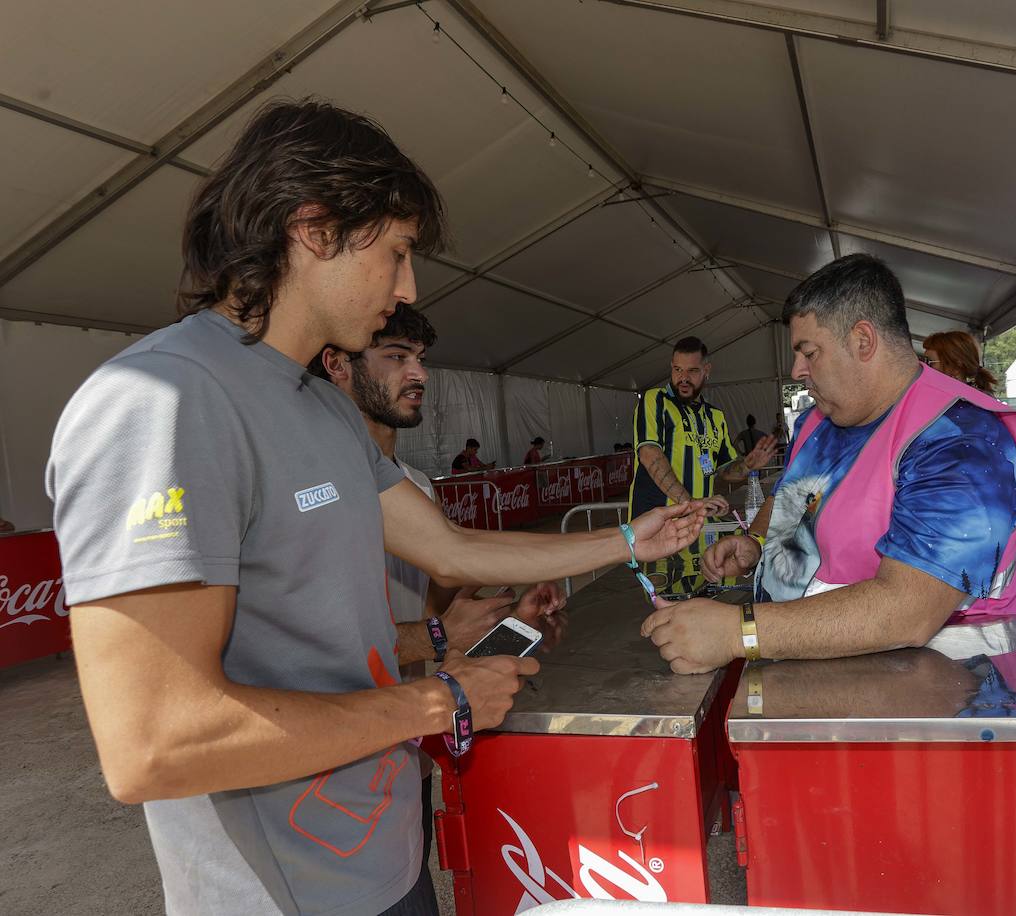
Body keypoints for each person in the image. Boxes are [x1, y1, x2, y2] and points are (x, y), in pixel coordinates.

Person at [45, 99, 705, 916]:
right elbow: (155, 742)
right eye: (396, 253)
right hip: (287, 895)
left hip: (384, 850)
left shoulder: (323, 405)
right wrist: (441, 699)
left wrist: (629, 541)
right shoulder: (161, 402)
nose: (406, 287)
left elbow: (449, 548)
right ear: (315, 229)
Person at [641, 255, 1016, 679]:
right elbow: (789, 498)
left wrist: (738, 632)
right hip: (813, 668)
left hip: (940, 691)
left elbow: (908, 609)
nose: (797, 371)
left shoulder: (960, 438)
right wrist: (754, 543)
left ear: (863, 340)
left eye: (809, 353)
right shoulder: (819, 420)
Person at [310, 302, 567, 887]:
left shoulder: (418, 487)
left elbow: (442, 633)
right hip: (331, 767)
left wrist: (512, 619)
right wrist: (436, 635)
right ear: (337, 365)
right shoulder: (312, 489)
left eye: (421, 358)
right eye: (396, 356)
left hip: (408, 754)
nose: (419, 374)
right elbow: (317, 648)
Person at [630, 336, 778, 581]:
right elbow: (650, 455)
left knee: (702, 595)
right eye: (677, 370)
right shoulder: (654, 401)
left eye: (692, 371)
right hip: (654, 532)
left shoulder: (714, 416)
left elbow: (726, 469)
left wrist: (747, 465)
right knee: (663, 599)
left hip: (699, 532)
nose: (683, 378)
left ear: (706, 370)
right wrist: (691, 503)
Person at [923, 329, 1016, 615]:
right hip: (1004, 517)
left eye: (929, 362)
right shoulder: (982, 403)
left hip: (987, 520)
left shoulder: (966, 410)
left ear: (953, 364)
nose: (923, 368)